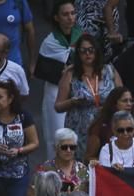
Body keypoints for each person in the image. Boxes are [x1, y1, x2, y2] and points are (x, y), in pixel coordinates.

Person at [56, 33, 122, 159]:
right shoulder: (71, 74)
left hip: (106, 126)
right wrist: (72, 102)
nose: (88, 54)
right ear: (78, 54)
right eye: (83, 51)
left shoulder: (109, 70)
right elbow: (58, 106)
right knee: (81, 168)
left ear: (97, 51)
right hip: (80, 129)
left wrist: (110, 107)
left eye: (91, 50)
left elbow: (122, 97)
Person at [35, 1, 80, 146]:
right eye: (65, 14)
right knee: (58, 133)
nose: (70, 17)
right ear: (56, 17)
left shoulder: (83, 38)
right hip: (55, 90)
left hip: (79, 89)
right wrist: (64, 73)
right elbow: (42, 71)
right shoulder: (50, 42)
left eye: (73, 13)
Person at [85, 87, 134, 161]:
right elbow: (89, 157)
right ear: (114, 103)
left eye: (131, 101)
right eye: (125, 101)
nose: (129, 104)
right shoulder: (99, 126)